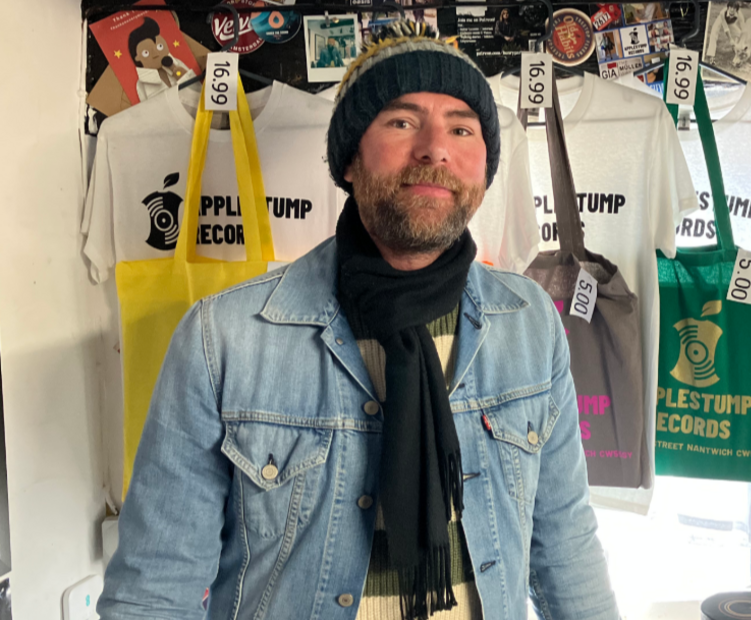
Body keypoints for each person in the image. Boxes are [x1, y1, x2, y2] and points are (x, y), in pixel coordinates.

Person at [99, 26, 618, 620]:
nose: (434, 149)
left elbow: (565, 542)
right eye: (401, 122)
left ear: (485, 165)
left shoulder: (529, 326)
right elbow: (154, 587)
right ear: (349, 158)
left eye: (461, 128)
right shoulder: (226, 339)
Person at [127, 17, 195, 102]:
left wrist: (175, 69)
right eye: (146, 53)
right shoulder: (142, 84)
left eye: (160, 46)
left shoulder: (177, 63)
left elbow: (194, 85)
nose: (155, 54)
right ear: (137, 58)